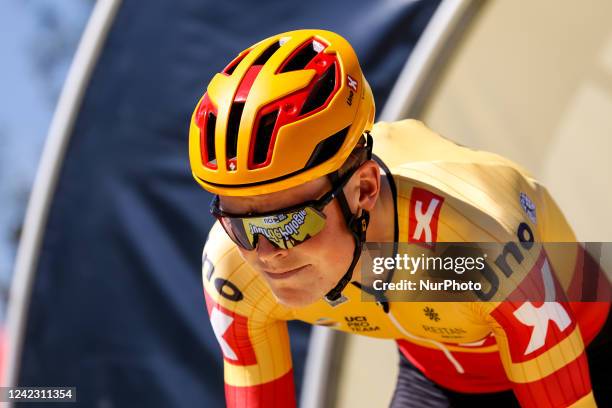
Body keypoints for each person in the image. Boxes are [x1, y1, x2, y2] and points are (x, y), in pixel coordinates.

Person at [188, 29, 610, 407]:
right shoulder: (229, 265)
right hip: (437, 372)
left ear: (364, 191)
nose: (264, 255)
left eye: (288, 225)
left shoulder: (473, 241)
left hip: (585, 344)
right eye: (241, 224)